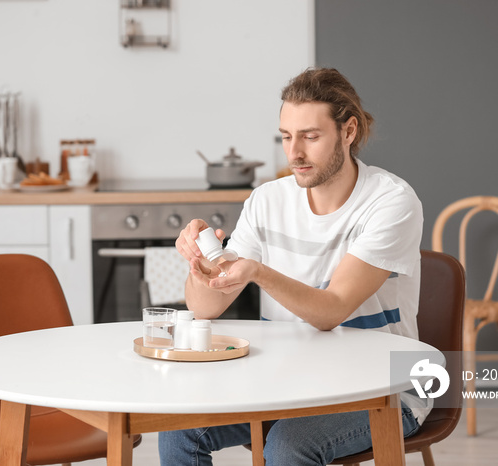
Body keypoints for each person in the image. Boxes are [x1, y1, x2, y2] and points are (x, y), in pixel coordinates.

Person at [161, 67, 427, 466]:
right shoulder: (267, 200)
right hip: (286, 382)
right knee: (179, 429)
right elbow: (206, 308)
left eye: (310, 136)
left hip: (383, 386)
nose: (294, 153)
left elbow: (332, 309)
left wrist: (258, 271)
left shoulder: (390, 203)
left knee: (288, 445)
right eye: (287, 136)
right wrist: (202, 262)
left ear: (348, 131)